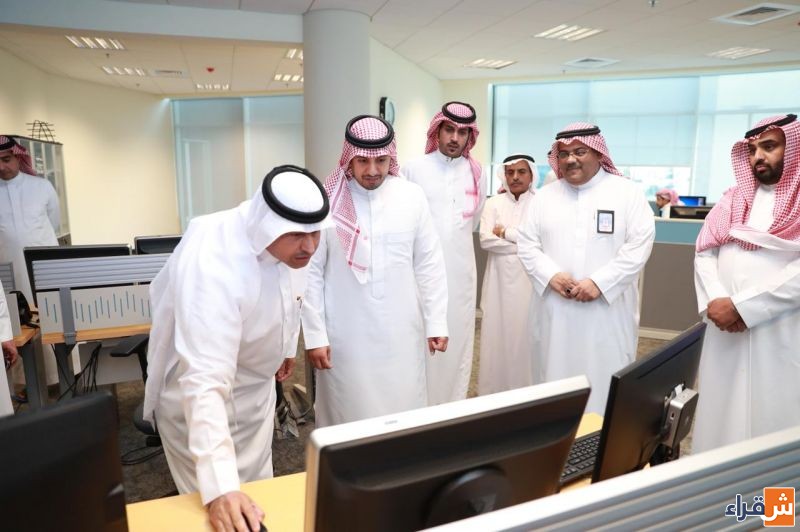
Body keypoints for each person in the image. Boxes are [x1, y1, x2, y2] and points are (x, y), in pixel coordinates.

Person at [142, 165, 329, 532]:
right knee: (217, 517)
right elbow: (204, 379)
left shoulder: (292, 247)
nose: (309, 246)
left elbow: (292, 293)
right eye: (296, 234)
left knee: (262, 505)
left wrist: (285, 346)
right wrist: (220, 487)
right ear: (268, 225)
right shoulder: (213, 259)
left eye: (315, 233)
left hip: (255, 397)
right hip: (200, 405)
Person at [302, 115, 448, 427]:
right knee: (348, 412)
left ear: (391, 158)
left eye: (381, 161)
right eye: (362, 161)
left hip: (402, 332)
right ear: (349, 159)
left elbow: (429, 263)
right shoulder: (328, 199)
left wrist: (436, 321)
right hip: (346, 334)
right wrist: (315, 335)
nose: (372, 170)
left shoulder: (411, 197)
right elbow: (310, 273)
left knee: (405, 409)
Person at [517, 123, 655, 414]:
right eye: (564, 154)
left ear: (598, 153)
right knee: (552, 386)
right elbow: (526, 244)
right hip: (554, 311)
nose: (571, 159)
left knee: (604, 385)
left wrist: (600, 283)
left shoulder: (627, 193)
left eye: (580, 152)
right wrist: (551, 276)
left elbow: (639, 246)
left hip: (606, 314)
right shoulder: (544, 197)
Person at [693, 113, 800, 452]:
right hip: (724, 329)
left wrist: (743, 307)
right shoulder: (732, 199)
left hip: (779, 333)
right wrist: (717, 301)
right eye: (752, 150)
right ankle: (715, 484)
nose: (758, 157)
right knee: (719, 415)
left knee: (773, 422)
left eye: (769, 147)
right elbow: (704, 252)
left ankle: (771, 491)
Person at [403, 102, 486, 404]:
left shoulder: (477, 172)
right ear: (437, 131)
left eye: (462, 132)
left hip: (461, 275)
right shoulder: (413, 169)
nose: (454, 138)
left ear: (469, 136)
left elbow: (473, 221)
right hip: (418, 273)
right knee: (418, 338)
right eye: (449, 130)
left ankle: (451, 409)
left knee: (457, 342)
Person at [0, 135, 60, 386]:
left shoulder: (41, 186)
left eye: (6, 159)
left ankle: (61, 376)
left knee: (53, 318)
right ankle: (29, 385)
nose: (2, 166)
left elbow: (54, 222)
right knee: (19, 325)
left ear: (18, 157)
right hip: (8, 273)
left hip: (43, 268)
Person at [477, 154, 536, 395]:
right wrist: (524, 244)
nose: (515, 177)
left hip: (529, 283)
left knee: (526, 336)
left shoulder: (540, 204)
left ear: (531, 175)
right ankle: (493, 393)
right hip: (497, 284)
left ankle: (527, 395)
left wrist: (506, 233)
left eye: (521, 172)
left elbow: (541, 241)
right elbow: (485, 240)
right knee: (496, 335)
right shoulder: (493, 203)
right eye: (510, 172)